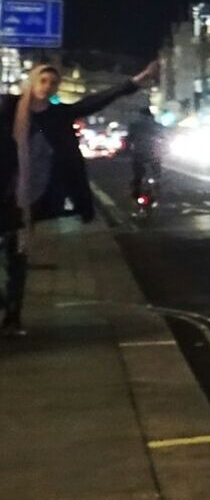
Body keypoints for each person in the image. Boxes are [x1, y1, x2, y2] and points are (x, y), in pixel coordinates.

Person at [1, 60, 158, 336]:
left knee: (17, 258)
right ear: (32, 82)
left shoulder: (59, 114)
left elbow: (97, 100)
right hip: (5, 190)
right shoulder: (8, 108)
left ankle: (13, 317)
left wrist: (137, 80)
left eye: (53, 83)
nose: (47, 87)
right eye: (43, 81)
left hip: (31, 197)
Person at [126, 112, 167, 204]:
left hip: (139, 153)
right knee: (157, 174)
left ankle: (136, 193)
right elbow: (164, 139)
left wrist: (128, 149)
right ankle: (157, 190)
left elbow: (129, 139)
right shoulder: (158, 126)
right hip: (154, 154)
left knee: (138, 175)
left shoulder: (135, 125)